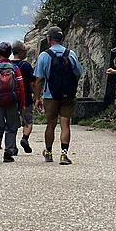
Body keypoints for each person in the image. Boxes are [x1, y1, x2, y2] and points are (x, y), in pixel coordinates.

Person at [33, 26, 83, 165]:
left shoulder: (44, 56)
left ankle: (48, 152)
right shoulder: (70, 54)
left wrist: (37, 98)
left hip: (50, 95)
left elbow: (39, 79)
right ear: (62, 39)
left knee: (51, 124)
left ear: (49, 39)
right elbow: (78, 72)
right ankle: (64, 154)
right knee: (65, 124)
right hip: (68, 96)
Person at [11, 40, 35, 153]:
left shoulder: (8, 65)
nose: (26, 52)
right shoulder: (26, 65)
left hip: (11, 99)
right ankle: (25, 138)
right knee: (28, 121)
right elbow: (33, 82)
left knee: (12, 124)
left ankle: (12, 146)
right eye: (25, 50)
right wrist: (36, 95)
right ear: (20, 52)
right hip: (26, 98)